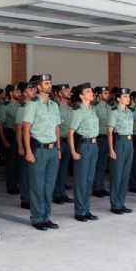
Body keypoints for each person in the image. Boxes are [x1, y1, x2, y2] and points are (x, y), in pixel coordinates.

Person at [23, 74, 61, 231]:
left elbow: (57, 128)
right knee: (37, 185)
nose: (49, 85)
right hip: (39, 149)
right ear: (39, 87)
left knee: (49, 186)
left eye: (50, 82)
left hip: (52, 150)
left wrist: (58, 148)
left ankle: (46, 216)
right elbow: (26, 129)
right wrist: (28, 151)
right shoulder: (33, 104)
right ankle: (37, 218)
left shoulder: (54, 105)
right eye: (46, 83)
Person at [68, 83, 99, 222]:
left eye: (91, 91)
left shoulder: (92, 110)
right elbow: (71, 133)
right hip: (84, 146)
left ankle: (86, 209)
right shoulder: (78, 111)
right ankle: (80, 211)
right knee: (81, 179)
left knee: (89, 179)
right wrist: (73, 151)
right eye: (88, 91)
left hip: (93, 145)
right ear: (81, 95)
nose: (91, 93)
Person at [107, 88, 134, 214]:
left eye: (128, 96)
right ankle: (115, 204)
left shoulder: (129, 112)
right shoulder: (114, 112)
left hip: (129, 143)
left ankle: (121, 202)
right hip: (120, 142)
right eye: (125, 96)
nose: (128, 98)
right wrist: (111, 149)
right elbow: (109, 131)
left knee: (125, 175)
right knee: (117, 175)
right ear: (118, 99)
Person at [15, 81, 36, 210]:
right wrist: (21, 147)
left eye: (34, 88)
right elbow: (19, 129)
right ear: (24, 93)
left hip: (36, 141)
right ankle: (25, 198)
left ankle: (34, 197)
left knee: (34, 172)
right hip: (26, 141)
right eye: (30, 89)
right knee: (25, 172)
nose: (33, 90)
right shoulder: (23, 107)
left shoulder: (38, 105)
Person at [0, 84, 22, 195]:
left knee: (20, 161)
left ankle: (19, 183)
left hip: (21, 135)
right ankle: (11, 185)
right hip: (10, 134)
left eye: (20, 91)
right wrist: (4, 140)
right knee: (11, 162)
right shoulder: (5, 107)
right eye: (16, 92)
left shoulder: (23, 106)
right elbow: (0, 125)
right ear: (11, 93)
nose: (19, 93)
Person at [53, 84, 74, 204]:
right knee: (56, 169)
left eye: (69, 90)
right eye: (65, 90)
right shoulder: (55, 107)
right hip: (58, 141)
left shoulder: (70, 109)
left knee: (64, 169)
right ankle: (56, 194)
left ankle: (62, 192)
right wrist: (58, 147)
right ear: (59, 94)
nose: (68, 92)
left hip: (68, 141)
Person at [92, 86, 111, 197]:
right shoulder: (95, 108)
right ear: (99, 95)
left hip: (107, 138)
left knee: (104, 163)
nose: (107, 94)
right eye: (105, 93)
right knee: (97, 163)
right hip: (99, 138)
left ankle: (101, 186)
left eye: (108, 93)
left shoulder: (109, 107)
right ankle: (96, 187)